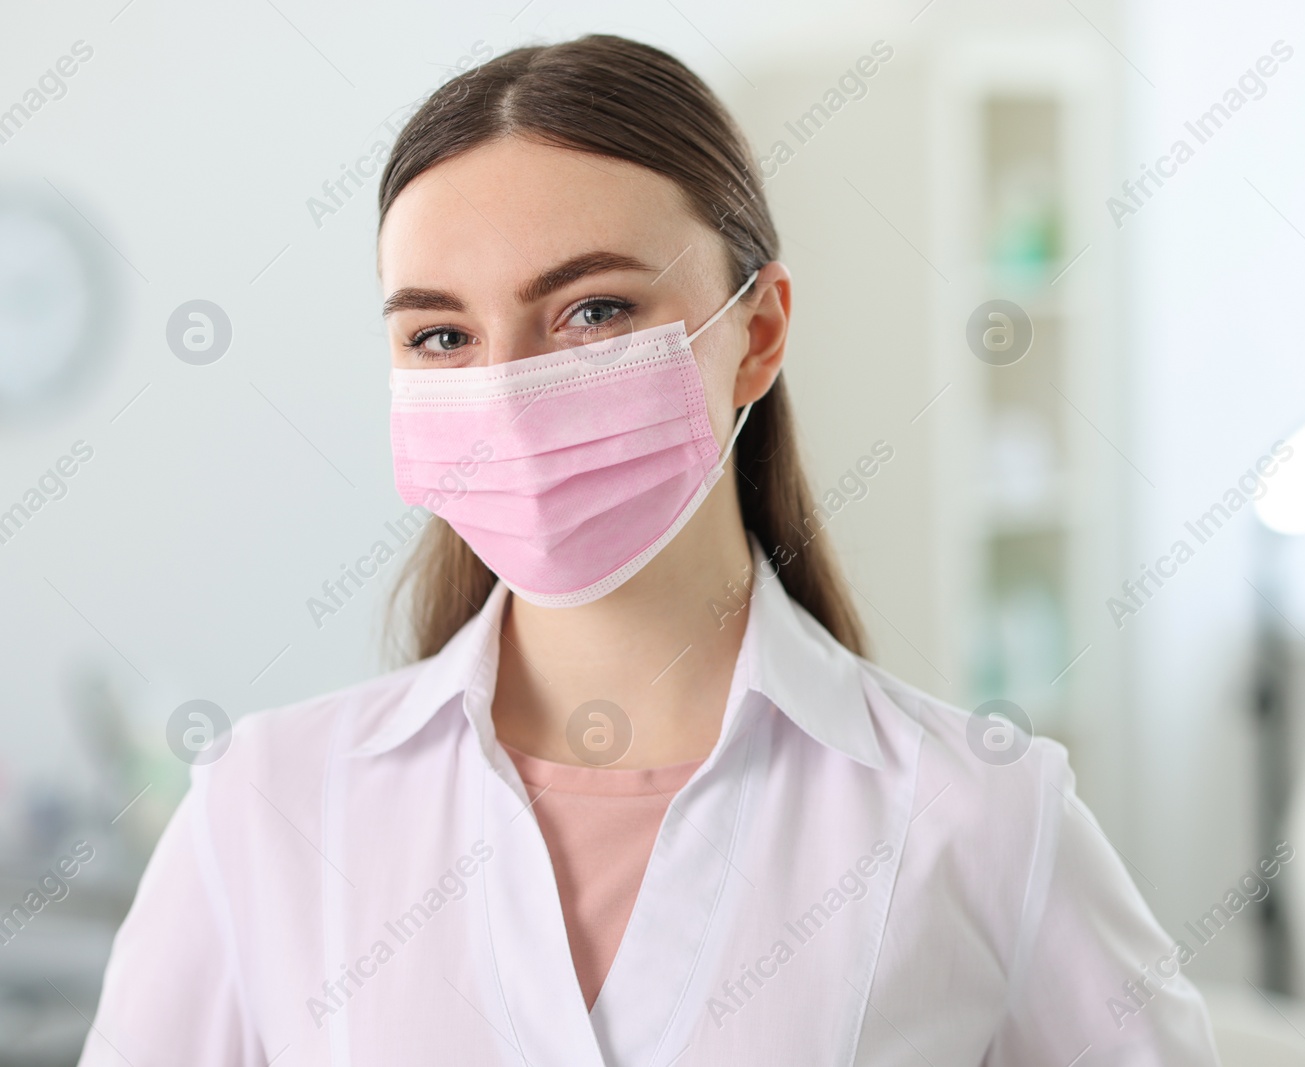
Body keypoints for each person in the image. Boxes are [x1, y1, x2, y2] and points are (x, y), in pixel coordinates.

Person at [82, 35, 1218, 1066]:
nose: (508, 392)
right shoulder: (264, 810)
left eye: (592, 312)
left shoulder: (980, 817)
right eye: (440, 334)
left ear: (758, 331)